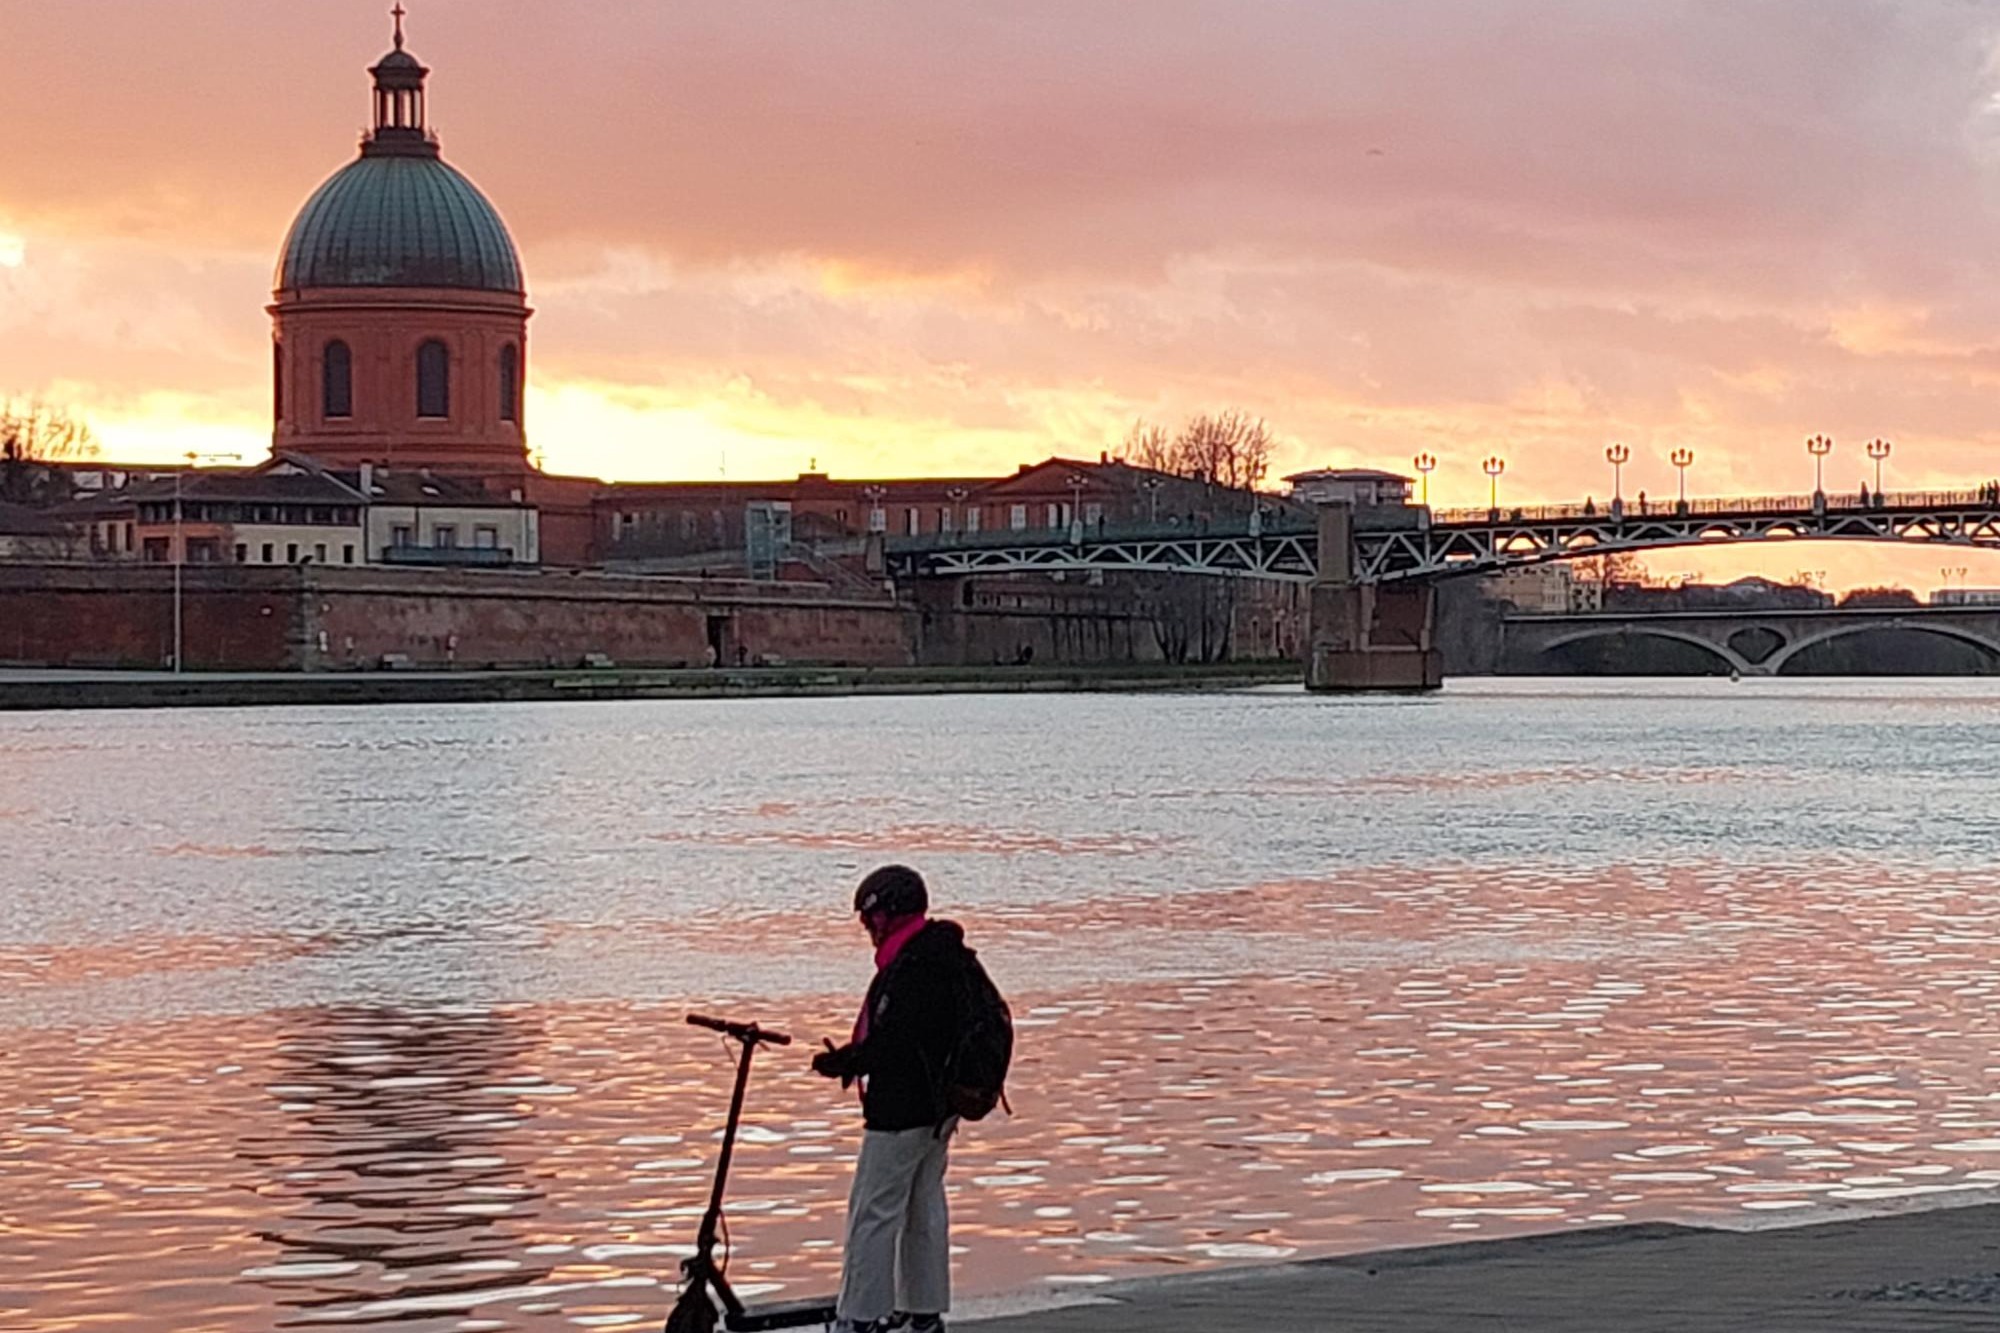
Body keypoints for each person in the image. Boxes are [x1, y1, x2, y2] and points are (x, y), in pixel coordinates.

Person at [812, 866, 974, 1333]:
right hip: (939, 1109)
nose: (868, 927)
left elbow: (898, 1041)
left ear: (895, 912)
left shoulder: (912, 967)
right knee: (923, 1207)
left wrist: (847, 1062)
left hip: (901, 1110)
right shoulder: (944, 955)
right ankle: (923, 1312)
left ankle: (859, 1317)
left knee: (873, 1211)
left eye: (873, 916)